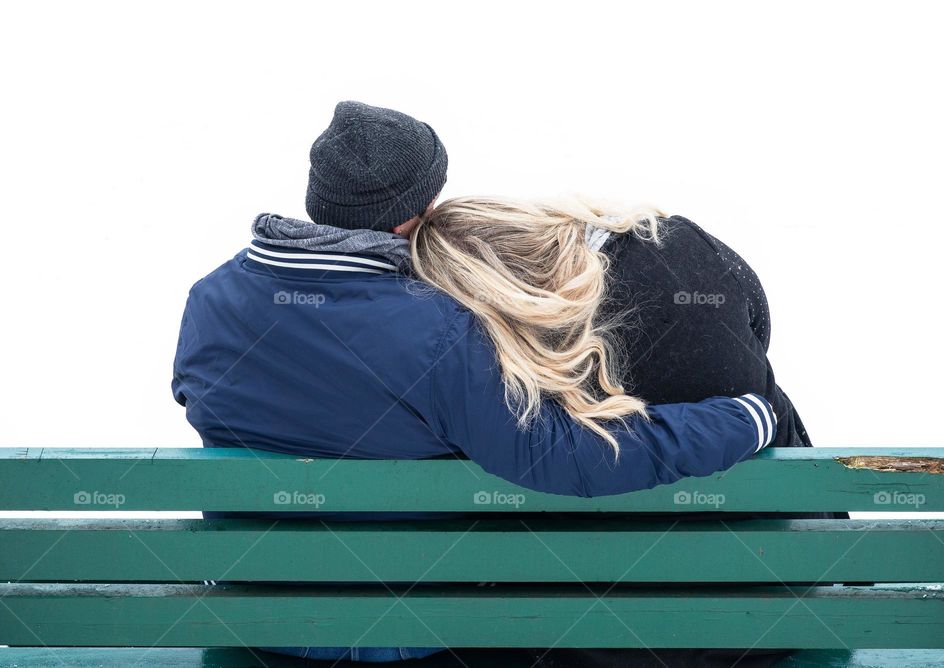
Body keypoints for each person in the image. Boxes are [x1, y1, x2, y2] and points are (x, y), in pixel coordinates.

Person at [172, 102, 776, 663]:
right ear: (421, 209)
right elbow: (562, 456)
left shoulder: (210, 299)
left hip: (252, 609)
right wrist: (746, 418)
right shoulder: (432, 328)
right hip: (395, 629)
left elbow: (201, 399)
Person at [410, 195, 828, 668]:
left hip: (605, 635)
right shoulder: (678, 247)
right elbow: (757, 328)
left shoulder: (512, 376)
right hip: (785, 590)